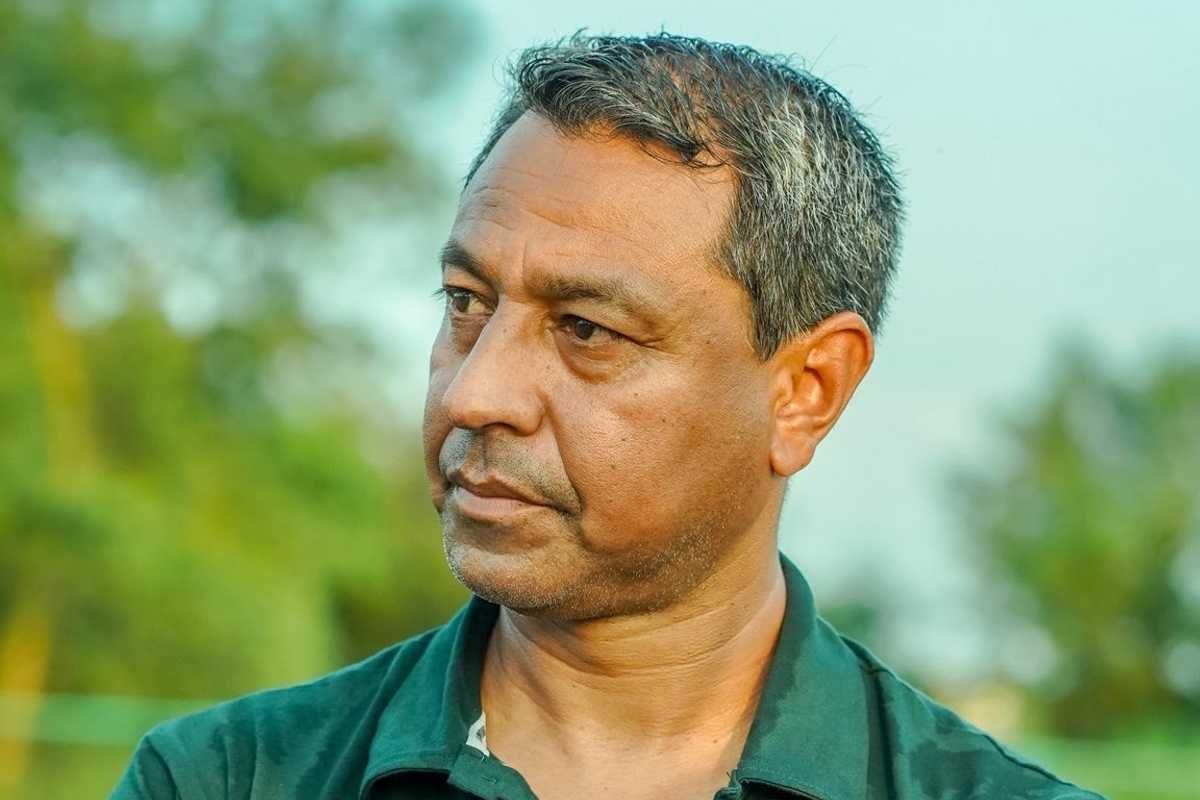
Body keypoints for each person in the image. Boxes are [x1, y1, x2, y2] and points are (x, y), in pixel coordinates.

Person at [112, 32, 1104, 800]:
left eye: (586, 329)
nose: (473, 392)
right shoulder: (223, 775)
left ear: (806, 390)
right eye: (466, 302)